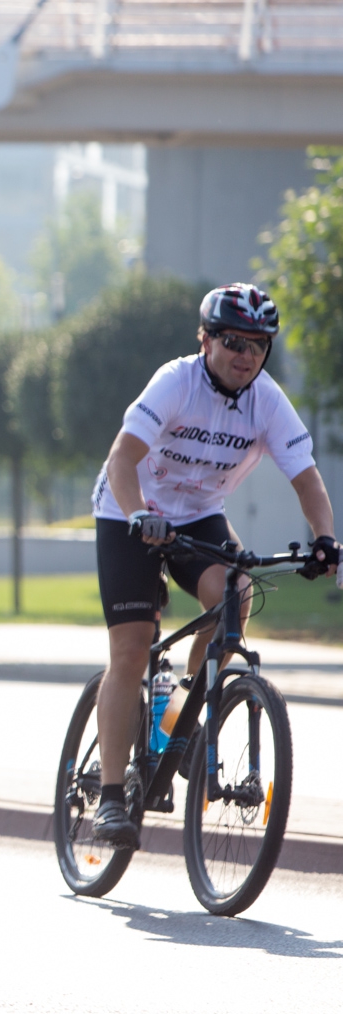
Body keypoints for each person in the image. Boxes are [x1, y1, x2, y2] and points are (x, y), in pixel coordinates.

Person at [88, 283, 337, 848]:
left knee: (235, 595)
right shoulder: (175, 382)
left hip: (198, 515)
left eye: (258, 344)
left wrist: (325, 539)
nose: (245, 355)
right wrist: (135, 516)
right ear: (205, 340)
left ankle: (177, 721)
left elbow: (306, 478)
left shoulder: (267, 399)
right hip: (129, 508)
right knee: (131, 647)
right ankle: (108, 796)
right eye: (232, 341)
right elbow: (123, 458)